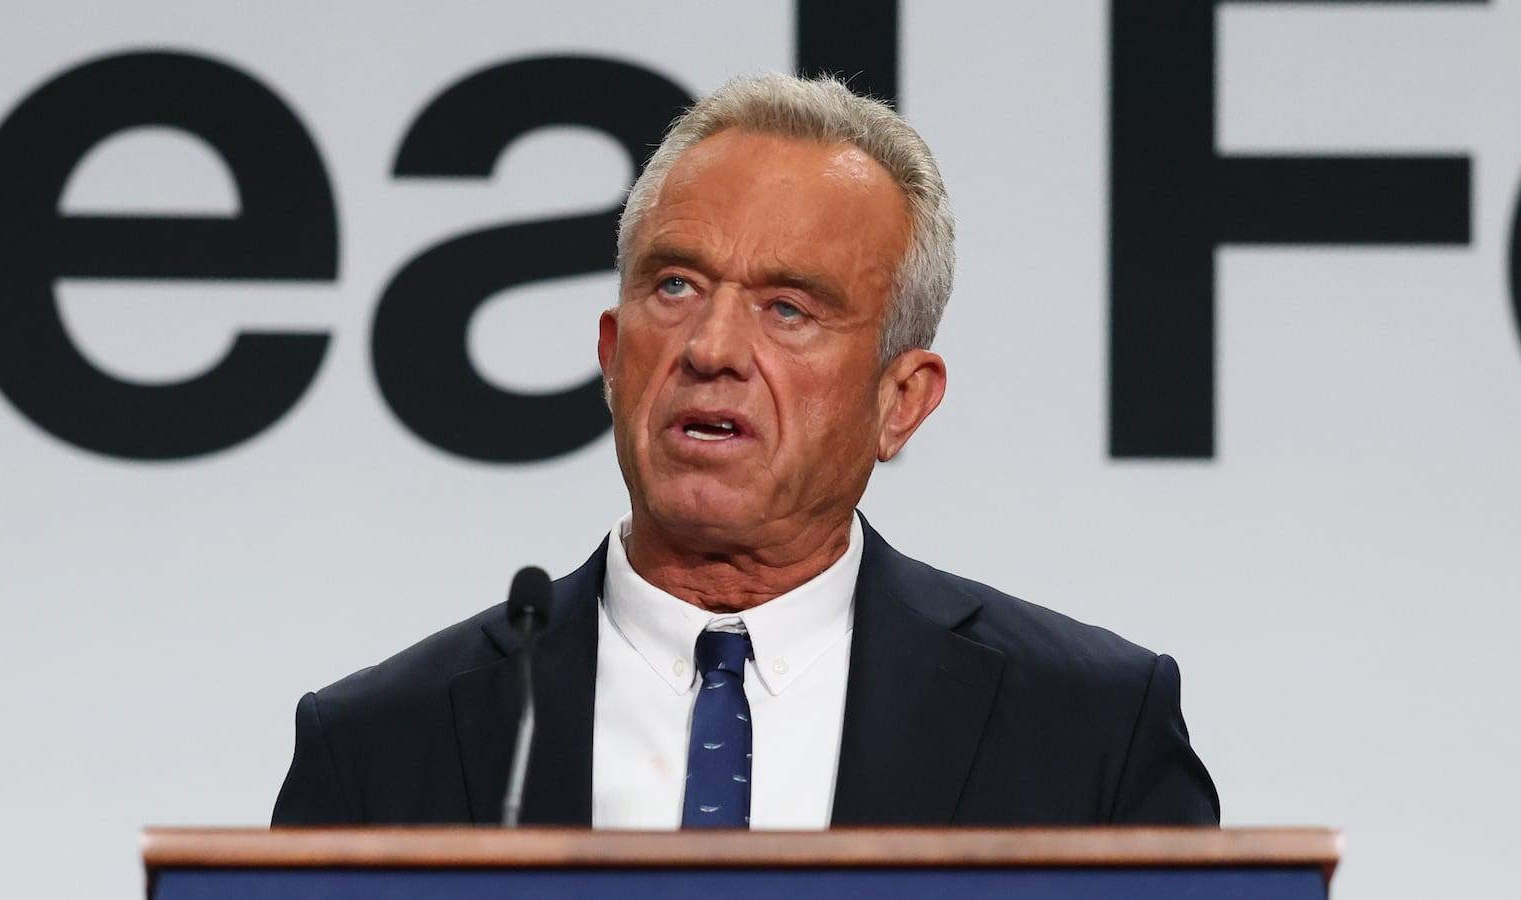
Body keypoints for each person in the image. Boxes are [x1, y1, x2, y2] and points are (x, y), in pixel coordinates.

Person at [272, 73, 1219, 828]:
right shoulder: (379, 748)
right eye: (676, 285)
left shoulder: (1090, 733)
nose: (713, 349)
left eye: (789, 308)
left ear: (902, 401)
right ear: (611, 353)